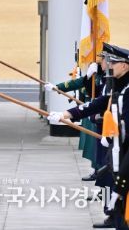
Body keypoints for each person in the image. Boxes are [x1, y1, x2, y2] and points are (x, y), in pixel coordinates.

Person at [48, 44, 129, 230]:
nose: (108, 65)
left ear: (125, 66)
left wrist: (113, 137)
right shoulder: (120, 86)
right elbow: (98, 103)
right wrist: (65, 115)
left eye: (113, 62)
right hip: (118, 149)